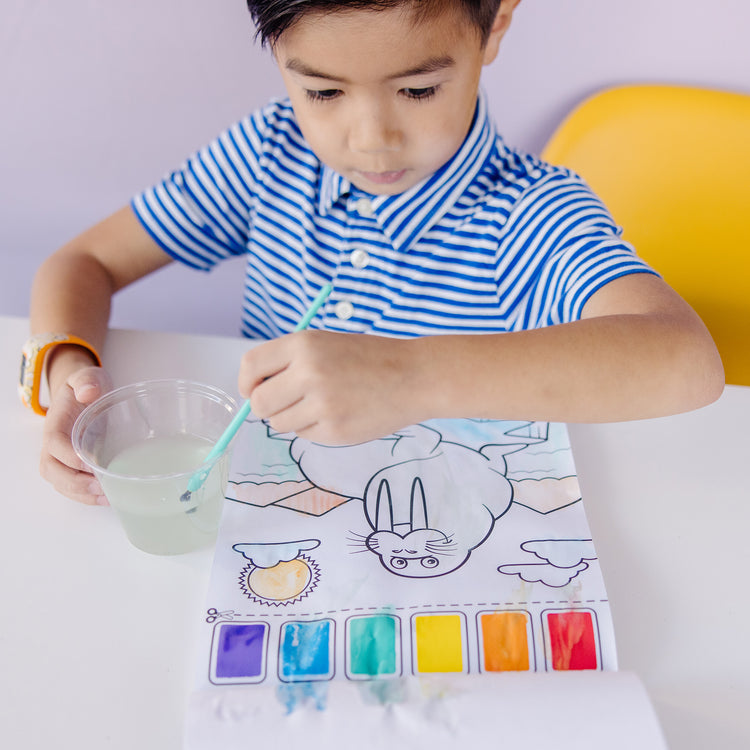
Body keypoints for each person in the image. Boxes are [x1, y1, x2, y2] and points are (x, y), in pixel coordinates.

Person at [28, 0, 724, 506]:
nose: (370, 138)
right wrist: (69, 379)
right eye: (323, 91)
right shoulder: (271, 152)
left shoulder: (528, 211)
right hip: (270, 519)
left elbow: (686, 361)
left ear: (495, 25)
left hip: (450, 529)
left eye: (418, 89)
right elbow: (82, 263)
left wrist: (409, 377)